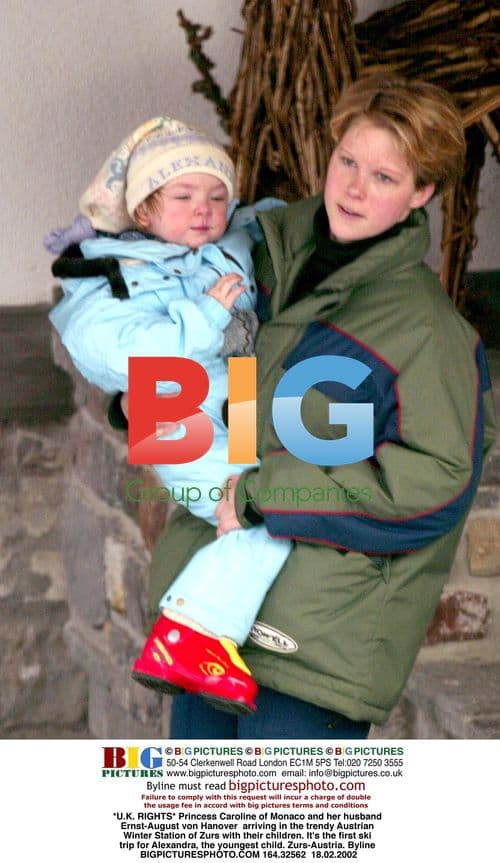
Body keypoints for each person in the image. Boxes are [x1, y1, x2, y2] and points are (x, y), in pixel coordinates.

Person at [145, 75, 497, 740]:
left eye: (385, 177)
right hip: (209, 615)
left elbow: (435, 484)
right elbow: (233, 394)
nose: (354, 188)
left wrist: (265, 493)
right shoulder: (259, 255)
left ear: (422, 193)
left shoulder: (427, 332)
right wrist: (154, 396)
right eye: (348, 161)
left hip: (315, 643)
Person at [48, 116, 292, 716]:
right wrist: (201, 320)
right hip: (174, 419)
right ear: (144, 210)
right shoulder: (109, 276)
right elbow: (113, 354)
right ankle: (189, 635)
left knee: (270, 504)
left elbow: (279, 219)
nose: (204, 209)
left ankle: (207, 635)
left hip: (239, 400)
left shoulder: (230, 237)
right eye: (183, 197)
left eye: (217, 195)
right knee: (271, 512)